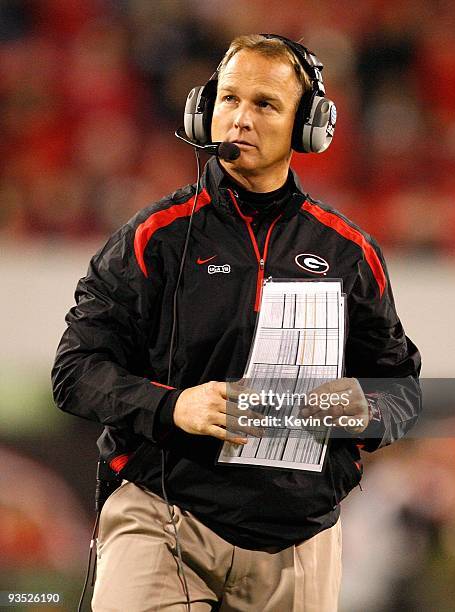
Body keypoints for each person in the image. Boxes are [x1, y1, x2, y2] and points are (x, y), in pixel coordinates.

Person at [52, 34, 421, 611]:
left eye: (265, 104)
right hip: (164, 517)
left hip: (299, 540)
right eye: (228, 99)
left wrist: (357, 408)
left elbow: (401, 391)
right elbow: (74, 371)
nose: (240, 119)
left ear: (310, 125)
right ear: (204, 110)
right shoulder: (154, 238)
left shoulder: (350, 252)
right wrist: (172, 406)